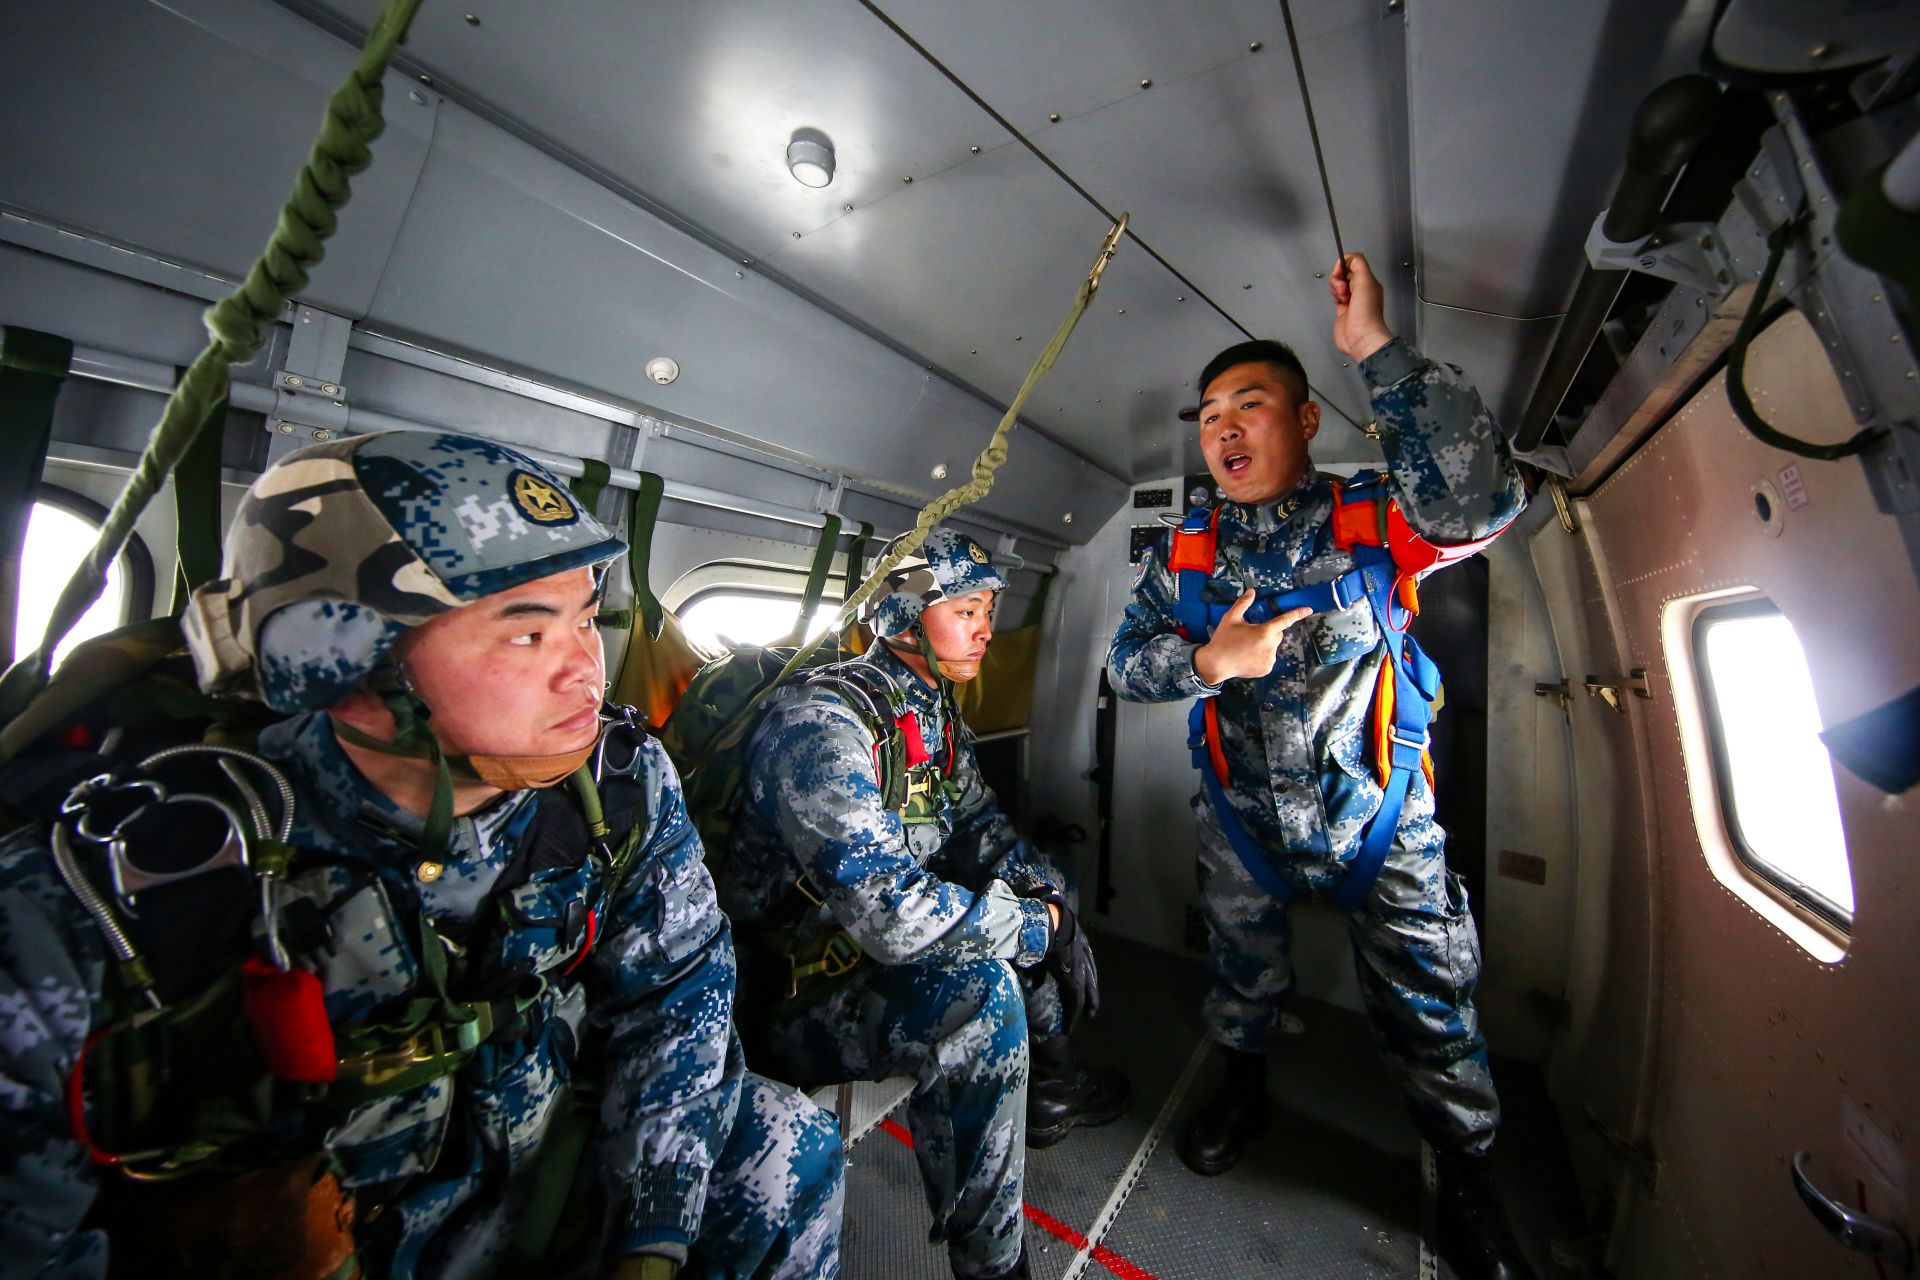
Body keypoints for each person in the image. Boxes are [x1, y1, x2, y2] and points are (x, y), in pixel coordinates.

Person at [0, 432, 841, 1280]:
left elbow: (677, 995)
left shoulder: (616, 786)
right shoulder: (108, 893)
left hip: (527, 1190)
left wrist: (649, 1242)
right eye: (526, 636)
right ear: (347, 660)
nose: (586, 671)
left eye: (587, 620)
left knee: (782, 1142)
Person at [1105, 254, 1535, 1280]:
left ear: (1304, 420)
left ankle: (1467, 1176)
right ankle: (1243, 1083)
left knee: (1432, 997)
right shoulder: (1187, 550)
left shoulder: (1378, 516)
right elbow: (1128, 663)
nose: (1223, 430)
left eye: (1248, 405)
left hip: (1379, 814)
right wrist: (1209, 659)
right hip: (1243, 819)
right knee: (1240, 970)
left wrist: (1376, 353)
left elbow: (1482, 505)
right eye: (1208, 415)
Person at [718, 528, 1128, 1280]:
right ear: (906, 615)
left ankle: (1050, 1088)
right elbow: (894, 916)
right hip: (786, 995)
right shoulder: (825, 726)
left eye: (990, 609)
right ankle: (995, 1266)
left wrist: (1046, 896)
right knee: (984, 989)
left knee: (1036, 892)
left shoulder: (930, 711)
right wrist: (1041, 927)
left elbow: (976, 825)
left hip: (859, 957)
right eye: (967, 608)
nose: (987, 627)